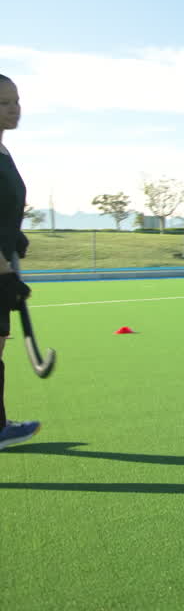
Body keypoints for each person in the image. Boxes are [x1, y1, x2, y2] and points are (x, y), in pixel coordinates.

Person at [0, 74, 38, 451]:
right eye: (3, 103)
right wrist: (5, 271)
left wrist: (14, 235)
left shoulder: (4, 152)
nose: (14, 109)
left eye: (16, 100)